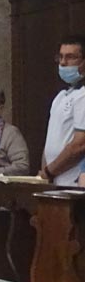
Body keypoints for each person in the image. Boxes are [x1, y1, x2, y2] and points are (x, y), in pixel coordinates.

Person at [38, 36, 85, 186]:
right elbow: (50, 142)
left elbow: (80, 144)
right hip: (54, 181)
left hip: (74, 183)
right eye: (61, 57)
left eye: (70, 57)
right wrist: (45, 172)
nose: (63, 62)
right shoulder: (61, 96)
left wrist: (49, 172)